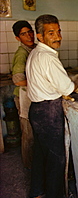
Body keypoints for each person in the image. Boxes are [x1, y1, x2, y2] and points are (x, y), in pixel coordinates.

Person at [26, 14, 78, 198]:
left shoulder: (36, 54)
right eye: (51, 33)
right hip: (48, 112)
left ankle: (35, 192)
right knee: (56, 158)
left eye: (59, 31)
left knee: (40, 153)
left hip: (36, 110)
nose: (57, 36)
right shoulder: (48, 58)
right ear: (40, 36)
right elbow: (68, 89)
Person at [12, 20, 36, 169]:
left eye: (30, 32)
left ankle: (35, 166)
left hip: (31, 96)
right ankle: (29, 168)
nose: (28, 36)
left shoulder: (33, 49)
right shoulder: (22, 53)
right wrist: (41, 82)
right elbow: (18, 80)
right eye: (23, 34)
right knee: (28, 135)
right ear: (17, 38)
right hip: (23, 97)